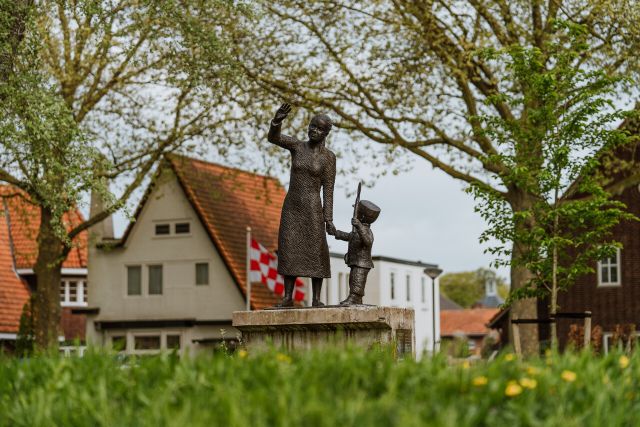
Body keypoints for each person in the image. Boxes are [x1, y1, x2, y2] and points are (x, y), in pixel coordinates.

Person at [267, 103, 336, 307]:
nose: (313, 131)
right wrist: (277, 121)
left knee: (317, 250)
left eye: (318, 128)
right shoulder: (298, 147)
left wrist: (328, 218)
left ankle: (316, 299)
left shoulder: (328, 158)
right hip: (292, 206)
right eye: (312, 126)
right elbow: (274, 138)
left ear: (326, 133)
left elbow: (329, 189)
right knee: (289, 248)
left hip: (313, 207)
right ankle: (288, 296)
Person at [332, 200, 381, 305]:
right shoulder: (357, 231)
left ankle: (354, 297)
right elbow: (349, 236)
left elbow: (367, 241)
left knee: (357, 281)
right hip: (355, 261)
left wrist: (359, 227)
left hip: (362, 263)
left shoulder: (366, 231)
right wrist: (335, 232)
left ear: (362, 216)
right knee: (353, 280)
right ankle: (357, 299)